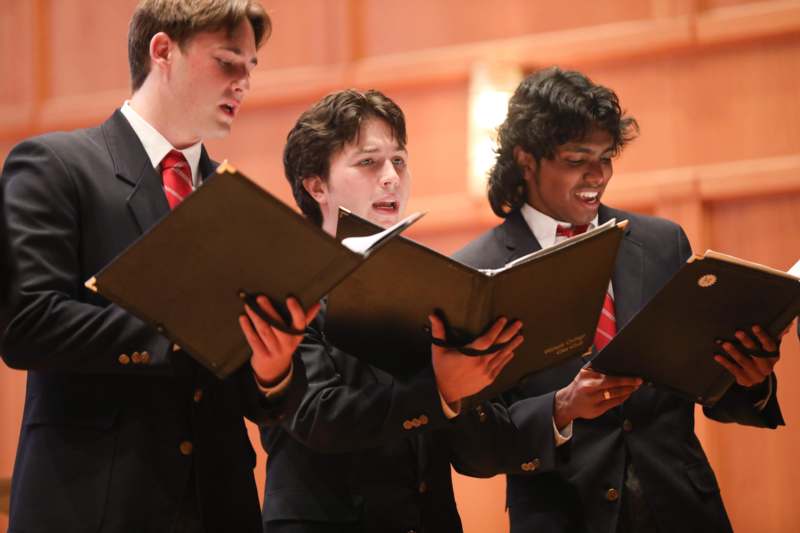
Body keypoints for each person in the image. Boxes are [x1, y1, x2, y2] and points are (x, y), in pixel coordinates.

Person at [0, 2, 315, 532]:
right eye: (228, 61)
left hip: (220, 507)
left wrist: (272, 367)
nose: (244, 83)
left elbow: (257, 399)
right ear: (163, 51)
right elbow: (26, 324)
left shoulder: (239, 207)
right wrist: (181, 329)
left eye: (251, 68)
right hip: (93, 504)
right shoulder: (54, 166)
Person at [452, 67, 784, 533]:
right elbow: (472, 446)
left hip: (684, 510)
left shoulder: (662, 241)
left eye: (606, 157)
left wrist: (751, 378)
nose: (598, 175)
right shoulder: (475, 272)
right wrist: (560, 408)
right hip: (563, 516)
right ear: (526, 160)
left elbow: (707, 386)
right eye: (577, 159)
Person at [240, 88, 547, 533]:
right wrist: (439, 389)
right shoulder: (286, 285)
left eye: (399, 161)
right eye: (369, 162)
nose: (391, 178)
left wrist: (473, 389)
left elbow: (468, 446)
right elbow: (317, 417)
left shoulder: (431, 280)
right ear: (316, 185)